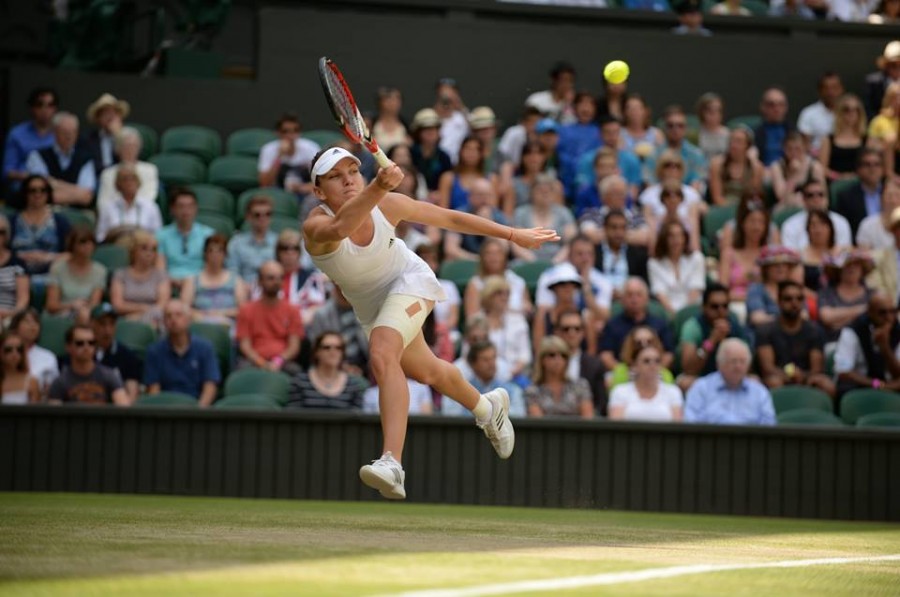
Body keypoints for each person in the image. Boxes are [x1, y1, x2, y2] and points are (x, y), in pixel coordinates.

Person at [302, 146, 558, 499]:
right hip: (372, 306)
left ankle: (392, 463)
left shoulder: (386, 204)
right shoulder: (315, 226)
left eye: (352, 171)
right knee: (430, 372)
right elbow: (341, 226)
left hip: (410, 282)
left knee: (382, 353)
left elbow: (449, 218)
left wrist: (513, 235)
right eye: (335, 176)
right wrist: (378, 186)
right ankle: (488, 408)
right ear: (318, 191)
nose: (348, 180)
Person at [756, 280, 836, 397]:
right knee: (774, 382)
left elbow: (817, 368)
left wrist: (802, 376)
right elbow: (767, 368)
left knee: (825, 384)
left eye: (799, 299)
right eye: (788, 299)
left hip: (806, 378)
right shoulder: (766, 330)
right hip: (777, 377)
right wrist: (787, 376)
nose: (794, 303)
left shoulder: (814, 330)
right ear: (779, 301)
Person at [143, 299, 220, 404]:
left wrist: (199, 413)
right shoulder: (154, 351)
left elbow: (210, 386)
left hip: (196, 408)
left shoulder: (205, 348)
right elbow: (153, 389)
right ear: (164, 322)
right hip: (165, 409)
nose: (173, 319)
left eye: (178, 315)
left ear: (188, 319)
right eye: (168, 316)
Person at [236, 261, 304, 375]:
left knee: (297, 373)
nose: (276, 282)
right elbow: (245, 345)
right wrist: (260, 362)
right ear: (260, 281)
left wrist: (278, 361)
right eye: (271, 278)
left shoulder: (293, 310)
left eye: (280, 278)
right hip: (253, 361)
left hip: (283, 362)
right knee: (241, 372)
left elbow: (294, 346)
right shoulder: (246, 310)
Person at [677, 283, 748, 392]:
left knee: (754, 380)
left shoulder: (734, 324)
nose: (720, 311)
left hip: (730, 377)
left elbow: (747, 364)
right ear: (703, 307)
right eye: (714, 307)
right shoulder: (693, 327)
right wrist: (711, 341)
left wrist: (728, 344)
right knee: (686, 383)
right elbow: (689, 369)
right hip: (701, 377)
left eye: (725, 306)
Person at [535, 234, 613, 329]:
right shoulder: (550, 276)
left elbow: (605, 316)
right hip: (556, 324)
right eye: (580, 254)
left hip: (585, 328)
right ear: (569, 255)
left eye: (590, 254)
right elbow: (544, 311)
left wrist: (586, 286)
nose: (585, 259)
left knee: (596, 322)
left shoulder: (603, 281)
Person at [599, 277, 674, 372]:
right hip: (623, 374)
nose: (634, 299)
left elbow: (669, 354)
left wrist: (656, 370)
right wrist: (624, 373)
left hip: (656, 372)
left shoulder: (660, 324)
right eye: (629, 295)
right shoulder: (612, 325)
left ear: (647, 298)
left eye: (639, 295)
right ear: (622, 299)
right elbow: (606, 355)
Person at [834, 291, 900, 396]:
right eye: (882, 312)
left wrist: (885, 348)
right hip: (861, 387)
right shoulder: (853, 330)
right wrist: (878, 385)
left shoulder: (897, 330)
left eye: (893, 311)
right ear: (870, 312)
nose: (889, 317)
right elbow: (844, 372)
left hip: (889, 386)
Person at [24, 111, 95, 207]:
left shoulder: (86, 159)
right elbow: (39, 193)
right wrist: (77, 193)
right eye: (65, 132)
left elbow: (86, 197)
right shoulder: (37, 156)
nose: (69, 136)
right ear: (54, 132)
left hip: (77, 216)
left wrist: (54, 183)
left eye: (73, 132)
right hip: (46, 213)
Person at [48, 324, 129, 406]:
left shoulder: (109, 376)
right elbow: (54, 415)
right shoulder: (60, 382)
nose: (86, 347)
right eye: (80, 343)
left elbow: (124, 410)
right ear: (68, 347)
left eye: (91, 343)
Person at [442, 340, 526, 418]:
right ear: (472, 364)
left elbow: (518, 415)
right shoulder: (460, 390)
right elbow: (451, 415)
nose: (491, 363)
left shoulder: (512, 390)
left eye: (493, 358)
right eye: (485, 360)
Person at [180, 233, 248, 328]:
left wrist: (222, 314)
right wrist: (201, 316)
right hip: (200, 324)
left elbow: (243, 309)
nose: (215, 255)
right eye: (211, 251)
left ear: (225, 255)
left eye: (219, 251)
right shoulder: (192, 280)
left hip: (229, 325)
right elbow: (184, 308)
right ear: (205, 254)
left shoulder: (236, 280)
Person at [10, 174, 71, 278]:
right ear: (25, 193)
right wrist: (22, 256)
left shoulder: (59, 221)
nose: (38, 194)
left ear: (48, 193)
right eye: (32, 190)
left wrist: (48, 257)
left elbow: (72, 254)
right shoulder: (12, 221)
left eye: (43, 190)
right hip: (16, 275)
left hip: (52, 275)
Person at [286, 331, 367, 410]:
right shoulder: (300, 381)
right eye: (326, 347)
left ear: (343, 353)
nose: (333, 351)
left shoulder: (352, 385)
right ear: (316, 352)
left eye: (338, 348)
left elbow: (357, 419)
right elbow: (293, 417)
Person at [478, 275, 533, 387]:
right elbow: (469, 354)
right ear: (487, 296)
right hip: (481, 378)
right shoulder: (477, 322)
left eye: (507, 293)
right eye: (498, 293)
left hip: (513, 377)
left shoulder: (518, 321)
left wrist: (508, 374)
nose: (504, 297)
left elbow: (525, 357)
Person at [532, 263, 597, 357]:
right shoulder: (543, 315)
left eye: (572, 284)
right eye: (562, 285)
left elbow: (591, 351)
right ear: (554, 288)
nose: (567, 288)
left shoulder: (586, 316)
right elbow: (539, 349)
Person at [155, 188, 214, 290]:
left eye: (190, 206)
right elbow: (160, 269)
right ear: (172, 209)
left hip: (201, 284)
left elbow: (212, 266)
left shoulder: (208, 234)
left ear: (196, 209)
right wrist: (171, 280)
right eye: (181, 206)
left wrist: (193, 282)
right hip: (170, 284)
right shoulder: (161, 235)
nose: (186, 211)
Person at [608, 342, 683, 422]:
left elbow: (677, 425)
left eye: (657, 361)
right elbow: (617, 426)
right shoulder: (620, 391)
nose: (652, 365)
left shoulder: (673, 391)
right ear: (634, 366)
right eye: (646, 361)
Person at [110, 230, 170, 329]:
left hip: (154, 319)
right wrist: (142, 309)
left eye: (153, 250)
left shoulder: (161, 275)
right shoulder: (120, 274)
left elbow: (162, 305)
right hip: (126, 318)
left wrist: (142, 315)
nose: (149, 253)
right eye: (144, 249)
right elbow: (118, 305)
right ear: (133, 251)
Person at [45, 227, 107, 324]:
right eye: (83, 242)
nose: (88, 246)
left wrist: (82, 309)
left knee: (87, 315)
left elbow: (94, 304)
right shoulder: (58, 268)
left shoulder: (100, 270)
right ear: (72, 245)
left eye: (91, 242)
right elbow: (51, 305)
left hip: (87, 313)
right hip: (61, 313)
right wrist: (71, 305)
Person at [2, 86, 57, 194]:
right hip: (22, 190)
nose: (45, 110)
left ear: (55, 109)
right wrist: (34, 178)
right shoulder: (17, 134)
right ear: (32, 108)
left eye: (50, 105)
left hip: (54, 190)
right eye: (40, 104)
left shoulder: (61, 134)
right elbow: (7, 172)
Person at [85, 303, 143, 403]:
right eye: (102, 324)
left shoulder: (127, 357)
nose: (107, 330)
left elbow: (131, 396)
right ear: (91, 324)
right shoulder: (81, 352)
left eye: (112, 323)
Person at [526, 335, 595, 419]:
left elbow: (587, 419)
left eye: (563, 355)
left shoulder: (580, 386)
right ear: (542, 359)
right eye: (552, 355)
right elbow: (538, 421)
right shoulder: (533, 390)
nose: (558, 360)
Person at [512, 174, 575, 263]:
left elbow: (571, 242)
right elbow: (515, 243)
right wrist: (534, 262)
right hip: (526, 260)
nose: (545, 193)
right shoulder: (521, 213)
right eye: (540, 190)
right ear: (532, 192)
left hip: (559, 261)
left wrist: (555, 262)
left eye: (548, 190)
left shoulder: (563, 213)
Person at [648, 217, 705, 316]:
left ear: (685, 238)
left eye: (679, 235)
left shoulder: (697, 258)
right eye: (671, 236)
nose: (676, 240)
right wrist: (674, 315)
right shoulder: (653, 263)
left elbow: (695, 290)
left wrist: (683, 315)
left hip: (693, 309)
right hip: (667, 311)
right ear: (664, 239)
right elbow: (660, 294)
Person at [555, 308, 608, 415]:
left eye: (577, 328)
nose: (572, 333)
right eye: (566, 329)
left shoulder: (595, 365)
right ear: (557, 331)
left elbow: (600, 404)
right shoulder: (546, 361)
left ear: (583, 333)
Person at [272, 228, 329, 327]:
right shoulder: (268, 276)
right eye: (285, 248)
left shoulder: (311, 278)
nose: (290, 252)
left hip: (302, 327)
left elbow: (317, 306)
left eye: (294, 248)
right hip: (272, 325)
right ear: (278, 251)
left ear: (300, 252)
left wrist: (296, 320)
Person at [442, 178, 509, 261]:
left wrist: (488, 224)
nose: (485, 199)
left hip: (492, 263)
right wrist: (478, 261)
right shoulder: (459, 215)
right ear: (470, 197)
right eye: (480, 195)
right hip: (467, 263)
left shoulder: (499, 216)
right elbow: (450, 249)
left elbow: (504, 249)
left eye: (488, 195)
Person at [718, 197, 770, 304]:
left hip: (763, 307)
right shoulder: (728, 254)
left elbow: (773, 289)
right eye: (752, 221)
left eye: (761, 222)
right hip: (734, 306)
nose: (756, 227)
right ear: (742, 224)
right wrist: (747, 298)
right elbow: (722, 291)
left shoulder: (770, 254)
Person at [94, 163, 163, 243]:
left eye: (133, 179)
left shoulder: (151, 207)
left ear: (138, 182)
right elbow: (100, 236)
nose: (129, 183)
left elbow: (158, 235)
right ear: (118, 184)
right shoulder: (108, 208)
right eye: (125, 179)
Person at [95, 126, 158, 210]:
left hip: (141, 217)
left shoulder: (150, 170)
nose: (130, 150)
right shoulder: (107, 174)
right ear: (117, 149)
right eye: (126, 146)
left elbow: (149, 198)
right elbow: (102, 203)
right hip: (115, 218)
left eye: (134, 146)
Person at [781, 179, 853, 252]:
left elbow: (844, 253)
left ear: (827, 198)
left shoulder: (841, 222)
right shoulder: (790, 225)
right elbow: (791, 257)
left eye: (820, 194)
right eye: (810, 195)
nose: (816, 199)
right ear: (803, 199)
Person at [257, 112, 320, 195]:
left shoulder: (311, 147)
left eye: (295, 130)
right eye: (285, 131)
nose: (291, 135)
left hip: (305, 193)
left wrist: (302, 187)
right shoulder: (268, 150)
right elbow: (264, 183)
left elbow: (321, 181)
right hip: (278, 193)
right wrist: (279, 156)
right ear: (277, 133)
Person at [835, 149, 887, 242]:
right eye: (867, 164)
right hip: (860, 246)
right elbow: (846, 230)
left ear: (883, 169)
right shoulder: (846, 197)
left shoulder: (893, 194)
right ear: (858, 170)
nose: (872, 169)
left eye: (877, 164)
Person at [594, 209, 650, 296]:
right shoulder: (593, 253)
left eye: (622, 228)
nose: (618, 232)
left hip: (629, 300)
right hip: (601, 299)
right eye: (614, 227)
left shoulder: (637, 254)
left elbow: (643, 284)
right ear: (605, 229)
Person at [746, 245, 803, 330]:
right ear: (765, 268)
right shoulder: (756, 289)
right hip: (763, 336)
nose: (780, 268)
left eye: (784, 264)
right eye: (775, 265)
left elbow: (804, 315)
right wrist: (787, 320)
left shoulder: (795, 288)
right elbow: (757, 318)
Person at [769, 132, 827, 212]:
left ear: (804, 148)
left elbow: (823, 195)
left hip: (810, 205)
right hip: (786, 205)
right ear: (784, 149)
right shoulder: (777, 167)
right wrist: (793, 175)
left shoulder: (814, 167)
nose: (794, 153)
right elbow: (781, 196)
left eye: (797, 149)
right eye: (790, 149)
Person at [227, 195, 277, 283]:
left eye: (267, 214)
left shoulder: (278, 242)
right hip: (244, 291)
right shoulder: (236, 243)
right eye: (257, 215)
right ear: (248, 217)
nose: (263, 218)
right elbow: (232, 274)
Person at [708, 127, 764, 207]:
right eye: (731, 141)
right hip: (722, 207)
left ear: (747, 146)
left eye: (739, 142)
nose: (733, 145)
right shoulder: (717, 165)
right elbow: (717, 197)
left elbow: (754, 196)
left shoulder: (756, 168)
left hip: (746, 208)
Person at [819, 94, 870, 181]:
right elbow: (822, 168)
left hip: (861, 182)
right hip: (835, 183)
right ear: (839, 112)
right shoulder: (828, 140)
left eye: (856, 110)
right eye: (846, 110)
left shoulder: (867, 139)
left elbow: (871, 165)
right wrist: (839, 177)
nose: (851, 113)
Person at [8, 309, 58, 398]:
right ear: (15, 327)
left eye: (36, 322)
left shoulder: (48, 357)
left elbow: (52, 390)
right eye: (27, 322)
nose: (33, 326)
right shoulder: (4, 353)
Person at [796, 72, 845, 155]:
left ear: (841, 89)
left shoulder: (849, 113)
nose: (831, 92)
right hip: (815, 160)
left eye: (834, 87)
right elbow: (804, 144)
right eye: (826, 88)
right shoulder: (808, 114)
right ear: (820, 90)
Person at [409, 108, 453, 196]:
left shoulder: (444, 157)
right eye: (426, 129)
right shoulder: (410, 153)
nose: (431, 132)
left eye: (434, 128)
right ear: (418, 132)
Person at [84, 93, 128, 177]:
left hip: (121, 178)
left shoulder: (127, 136)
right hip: (98, 178)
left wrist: (118, 135)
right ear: (98, 118)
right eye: (105, 113)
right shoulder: (89, 138)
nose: (110, 117)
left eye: (113, 113)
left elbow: (128, 161)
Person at [0, 214, 30, 322]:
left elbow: (23, 300)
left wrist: (9, 314)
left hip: (11, 316)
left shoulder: (18, 264)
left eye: (1, 233)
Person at [753, 88, 793, 167]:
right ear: (763, 107)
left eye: (781, 104)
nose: (777, 109)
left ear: (786, 107)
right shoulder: (756, 134)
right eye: (771, 105)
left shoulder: (793, 131)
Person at [0, 332, 40, 405]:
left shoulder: (31, 381)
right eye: (8, 349)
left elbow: (35, 413)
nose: (14, 353)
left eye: (19, 350)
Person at [857, 182, 900, 250]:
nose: (893, 201)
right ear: (881, 199)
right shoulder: (867, 224)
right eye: (889, 196)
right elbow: (864, 254)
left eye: (897, 196)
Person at [865, 41, 900, 119]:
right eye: (893, 65)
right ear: (886, 65)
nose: (898, 69)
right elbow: (869, 110)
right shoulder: (873, 82)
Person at [371, 87, 410, 152]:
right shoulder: (371, 124)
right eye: (389, 98)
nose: (393, 102)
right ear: (380, 102)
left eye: (397, 99)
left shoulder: (407, 126)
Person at [695, 92, 730, 162]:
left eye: (718, 110)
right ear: (702, 112)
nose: (715, 114)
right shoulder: (694, 135)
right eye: (710, 111)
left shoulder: (728, 134)